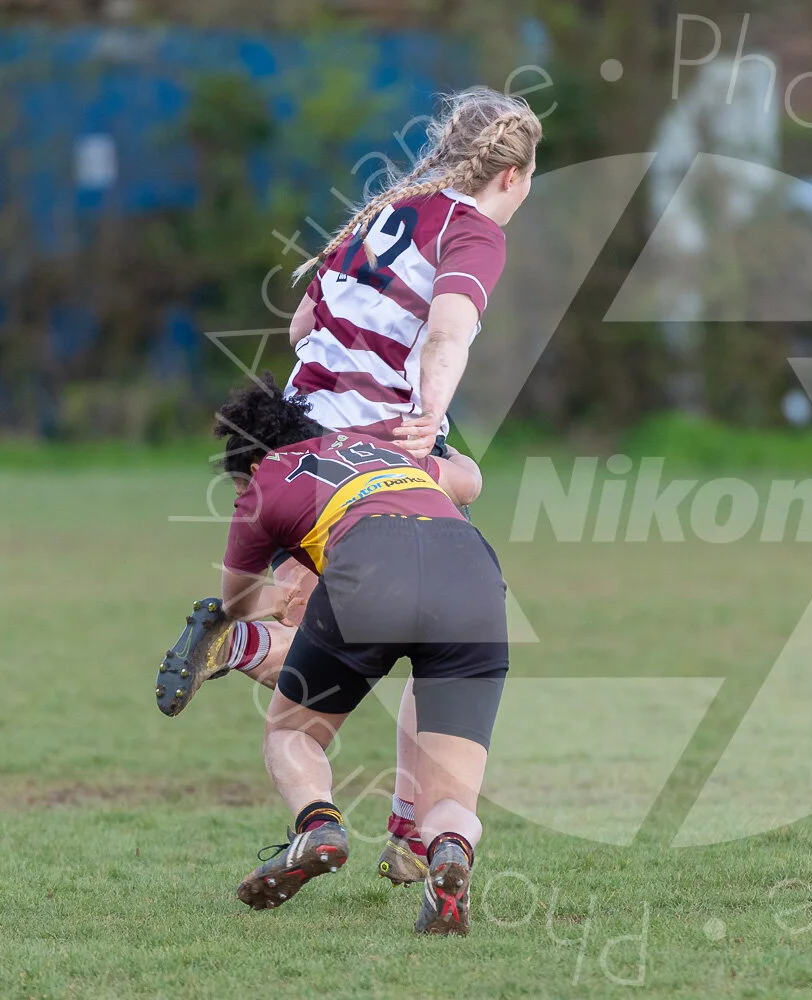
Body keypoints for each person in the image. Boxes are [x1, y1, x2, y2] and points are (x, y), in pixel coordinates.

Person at [154, 86, 541, 883]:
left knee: (422, 576)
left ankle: (402, 828)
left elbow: (300, 329)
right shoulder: (472, 230)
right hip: (367, 443)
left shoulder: (382, 214)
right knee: (413, 633)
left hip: (297, 431)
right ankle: (245, 640)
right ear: (513, 176)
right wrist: (428, 411)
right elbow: (448, 329)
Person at [210, 377, 506, 934]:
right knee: (445, 794)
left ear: (250, 465)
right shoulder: (378, 446)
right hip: (473, 576)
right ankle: (448, 853)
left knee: (292, 734)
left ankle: (319, 825)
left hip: (370, 569)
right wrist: (447, 444)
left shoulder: (264, 482)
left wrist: (285, 597)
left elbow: (235, 600)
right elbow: (469, 480)